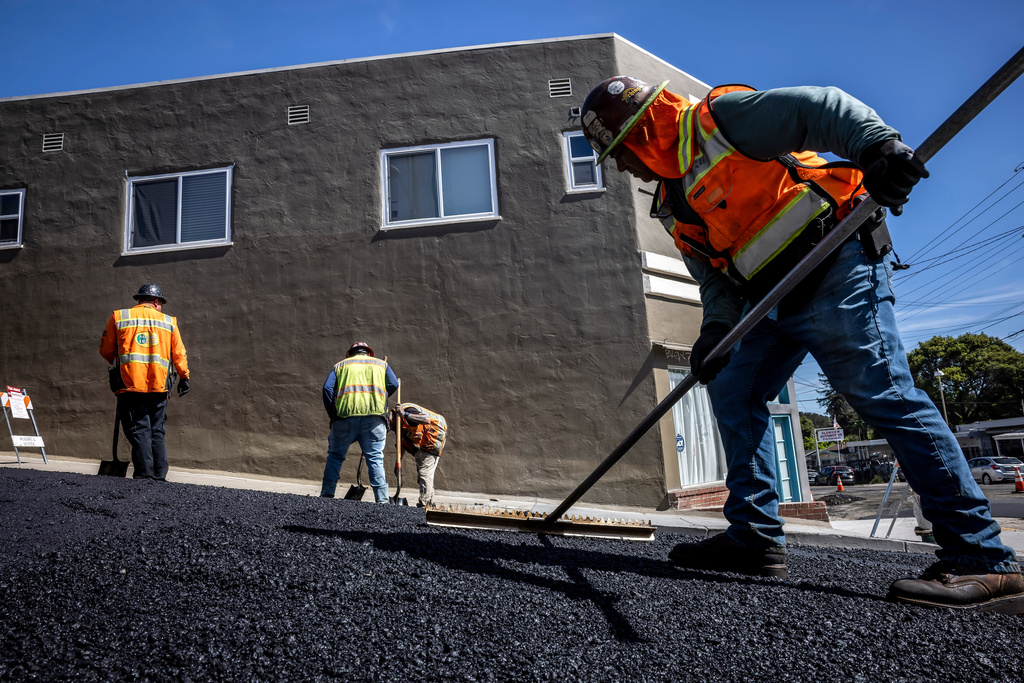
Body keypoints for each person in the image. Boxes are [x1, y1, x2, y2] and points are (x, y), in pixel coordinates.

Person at [580, 77, 1024, 613]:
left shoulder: (721, 121)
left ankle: (982, 557)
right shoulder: (673, 203)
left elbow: (820, 108)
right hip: (766, 300)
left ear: (643, 130)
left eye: (621, 153)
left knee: (879, 391)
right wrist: (715, 332)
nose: (623, 167)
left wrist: (877, 147)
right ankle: (755, 538)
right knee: (734, 391)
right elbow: (714, 278)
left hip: (835, 262)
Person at [99, 283, 190, 480]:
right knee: (157, 430)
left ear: (139, 300)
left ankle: (144, 475)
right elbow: (179, 354)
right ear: (156, 302)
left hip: (130, 384)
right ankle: (159, 474)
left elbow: (106, 350)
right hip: (160, 385)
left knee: (139, 428)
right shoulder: (169, 322)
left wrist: (121, 361)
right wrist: (184, 377)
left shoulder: (119, 317)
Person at [321, 342, 399, 502]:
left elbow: (327, 389)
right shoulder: (380, 364)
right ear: (368, 353)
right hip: (374, 420)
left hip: (344, 418)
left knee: (335, 456)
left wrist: (333, 413)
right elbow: (394, 384)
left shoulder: (340, 365)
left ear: (350, 353)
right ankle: (382, 501)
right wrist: (380, 397)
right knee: (376, 458)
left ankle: (327, 495)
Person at [391, 402, 448, 508]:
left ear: (391, 418)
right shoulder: (397, 425)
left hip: (432, 439)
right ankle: (429, 503)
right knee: (424, 475)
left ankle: (424, 505)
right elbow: (402, 443)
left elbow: (426, 419)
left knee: (424, 474)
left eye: (389, 426)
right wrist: (397, 465)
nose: (389, 428)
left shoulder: (406, 410)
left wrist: (404, 414)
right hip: (422, 445)